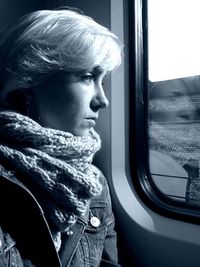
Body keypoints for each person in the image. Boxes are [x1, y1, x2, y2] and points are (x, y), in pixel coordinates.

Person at [0, 7, 122, 267]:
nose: (103, 100)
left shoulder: (93, 183)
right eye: (87, 77)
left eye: (104, 82)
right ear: (28, 84)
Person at [148, 76, 200, 203]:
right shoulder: (149, 164)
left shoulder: (191, 156)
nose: (188, 111)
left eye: (192, 102)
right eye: (173, 98)